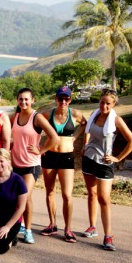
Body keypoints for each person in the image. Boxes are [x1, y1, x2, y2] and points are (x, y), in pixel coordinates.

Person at [80, 89, 132, 251]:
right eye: (102, 102)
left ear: (113, 104)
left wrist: (118, 158)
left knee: (104, 198)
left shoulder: (116, 120)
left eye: (108, 103)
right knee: (91, 194)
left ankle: (108, 235)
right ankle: (92, 227)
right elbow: (88, 131)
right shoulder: (94, 114)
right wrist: (85, 145)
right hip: (88, 159)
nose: (104, 105)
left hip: (104, 163)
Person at [10, 87, 59, 244]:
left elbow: (54, 137)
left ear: (32, 100)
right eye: (21, 99)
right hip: (15, 162)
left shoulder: (36, 117)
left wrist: (41, 150)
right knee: (17, 196)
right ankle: (21, 224)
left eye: (26, 99)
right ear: (17, 100)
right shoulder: (15, 116)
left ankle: (28, 230)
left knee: (25, 195)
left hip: (31, 163)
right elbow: (2, 127)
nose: (23, 102)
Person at [39, 86, 86, 242]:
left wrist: (75, 137)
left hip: (66, 157)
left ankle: (68, 228)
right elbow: (36, 127)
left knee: (67, 194)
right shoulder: (48, 114)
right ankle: (52, 224)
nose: (63, 101)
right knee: (50, 191)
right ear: (56, 99)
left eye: (66, 99)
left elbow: (85, 124)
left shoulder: (75, 114)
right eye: (60, 98)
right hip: (50, 156)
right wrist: (40, 147)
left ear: (70, 100)